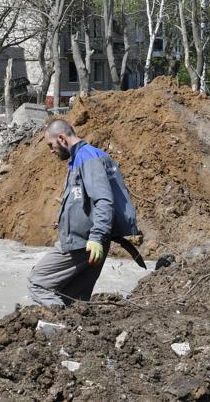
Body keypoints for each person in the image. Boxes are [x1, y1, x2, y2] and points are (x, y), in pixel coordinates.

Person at [28, 118, 139, 306]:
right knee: (74, 299)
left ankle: (58, 325)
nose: (51, 150)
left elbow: (104, 200)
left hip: (85, 243)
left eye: (51, 145)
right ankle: (71, 331)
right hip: (90, 242)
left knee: (38, 282)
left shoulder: (87, 158)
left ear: (62, 138)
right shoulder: (83, 157)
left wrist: (96, 237)